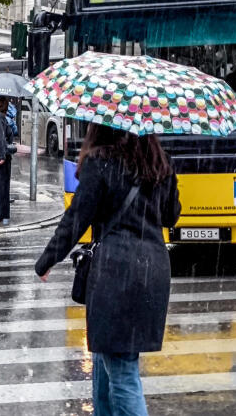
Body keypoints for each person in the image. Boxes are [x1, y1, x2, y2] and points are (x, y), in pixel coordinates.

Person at [34, 123, 180, 416]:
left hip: (116, 272)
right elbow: (170, 216)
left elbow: (77, 218)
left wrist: (47, 259)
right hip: (152, 270)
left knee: (122, 370)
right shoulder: (158, 162)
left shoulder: (100, 162)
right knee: (107, 361)